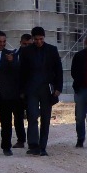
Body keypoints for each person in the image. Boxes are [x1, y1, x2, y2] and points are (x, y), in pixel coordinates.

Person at [17, 26, 64, 155]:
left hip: (46, 89)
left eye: (41, 39)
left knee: (45, 118)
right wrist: (21, 90)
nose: (38, 42)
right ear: (32, 38)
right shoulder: (26, 52)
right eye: (36, 39)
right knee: (32, 116)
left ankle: (42, 146)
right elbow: (22, 72)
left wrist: (58, 88)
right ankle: (33, 145)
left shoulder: (52, 50)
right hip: (31, 90)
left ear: (44, 38)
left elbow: (58, 70)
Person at [10, 31, 32, 150]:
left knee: (32, 117)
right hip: (16, 93)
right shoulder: (12, 55)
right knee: (18, 118)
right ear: (20, 43)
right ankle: (21, 140)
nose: (26, 47)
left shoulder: (35, 55)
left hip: (31, 93)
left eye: (29, 44)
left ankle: (32, 140)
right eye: (24, 44)